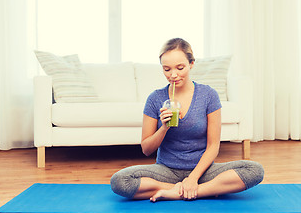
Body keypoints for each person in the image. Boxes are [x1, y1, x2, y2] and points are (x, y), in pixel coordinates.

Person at [110, 38, 264, 202]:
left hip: (203, 171)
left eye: (180, 67)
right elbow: (146, 149)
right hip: (166, 170)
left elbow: (213, 146)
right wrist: (163, 127)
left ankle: (184, 191)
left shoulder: (208, 95)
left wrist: (193, 179)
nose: (173, 75)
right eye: (167, 69)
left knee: (254, 170)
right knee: (119, 181)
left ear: (191, 64)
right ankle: (194, 190)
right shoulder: (155, 99)